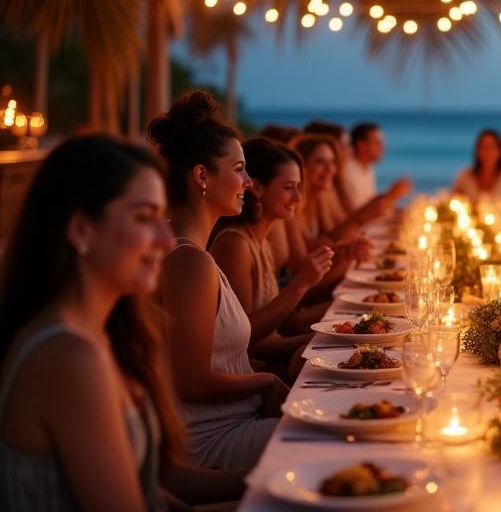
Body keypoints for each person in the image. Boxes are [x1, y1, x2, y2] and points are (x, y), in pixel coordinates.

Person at [0, 136, 244, 510]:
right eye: (144, 218)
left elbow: (153, 480)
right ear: (81, 230)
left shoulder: (104, 334)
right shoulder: (68, 357)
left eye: (162, 217)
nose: (165, 240)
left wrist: (269, 475)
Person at [150, 91, 286, 470]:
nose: (249, 182)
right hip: (210, 438)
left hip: (235, 420)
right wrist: (265, 382)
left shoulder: (187, 250)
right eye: (239, 169)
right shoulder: (189, 262)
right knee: (337, 439)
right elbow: (191, 383)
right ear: (202, 176)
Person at [210, 138, 334, 382]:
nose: (298, 198)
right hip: (250, 376)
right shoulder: (235, 244)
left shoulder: (262, 241)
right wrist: (301, 284)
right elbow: (245, 341)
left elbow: (280, 324)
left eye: (298, 187)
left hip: (271, 362)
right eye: (288, 187)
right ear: (257, 188)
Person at [339, 122, 411, 211]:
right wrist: (391, 195)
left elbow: (368, 202)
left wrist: (392, 197)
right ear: (361, 145)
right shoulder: (348, 171)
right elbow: (359, 212)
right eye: (377, 143)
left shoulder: (367, 168)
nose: (383, 148)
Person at [451, 129, 501, 203]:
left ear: (500, 151)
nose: (488, 152)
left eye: (492, 147)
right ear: (477, 150)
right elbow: (452, 200)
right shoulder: (465, 175)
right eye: (484, 147)